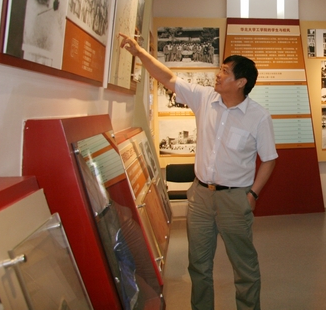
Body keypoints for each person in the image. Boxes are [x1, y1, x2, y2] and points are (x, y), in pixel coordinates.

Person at [119, 33, 278, 310]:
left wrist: (252, 194)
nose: (218, 75)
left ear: (240, 82)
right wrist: (138, 52)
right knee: (199, 265)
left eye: (225, 71)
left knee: (244, 267)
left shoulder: (258, 117)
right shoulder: (205, 98)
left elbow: (269, 160)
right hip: (201, 196)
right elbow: (168, 77)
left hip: (235, 198)